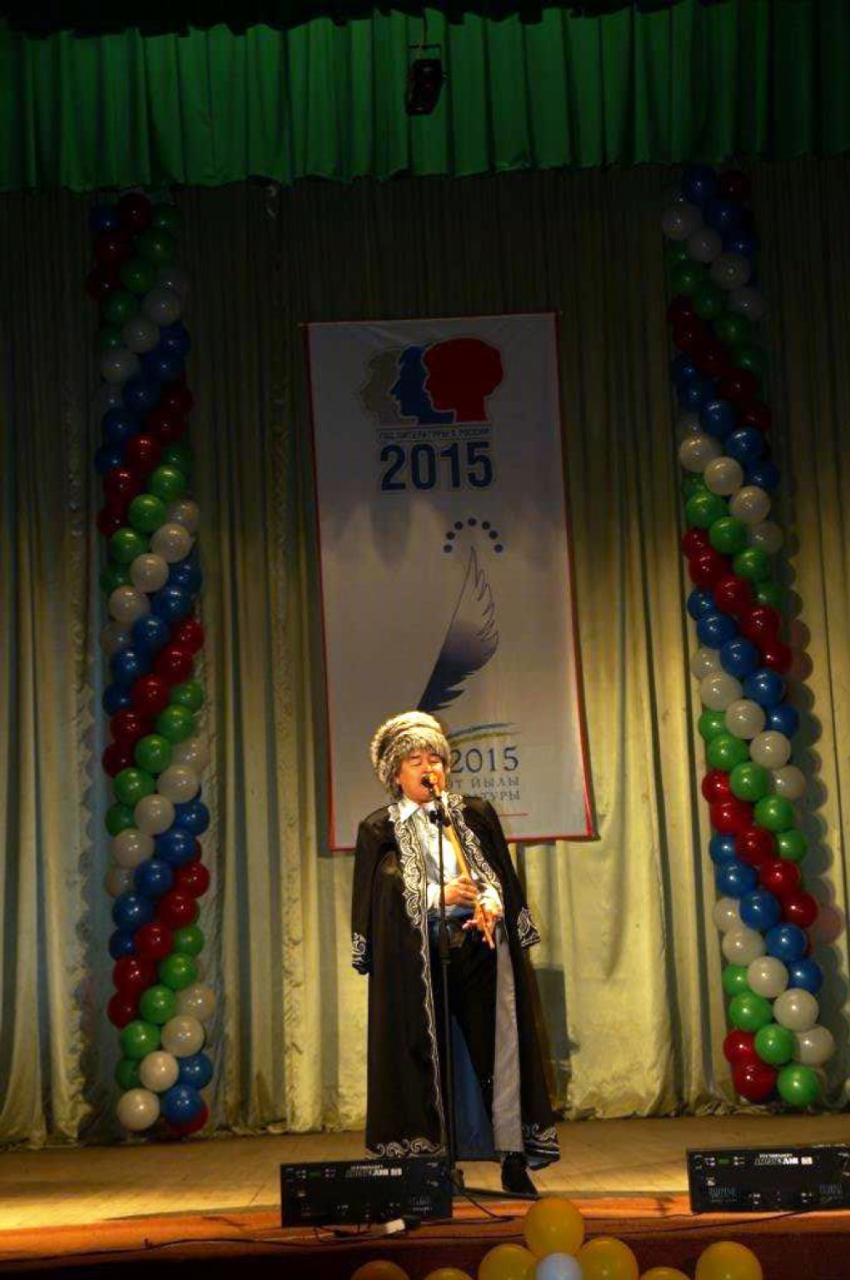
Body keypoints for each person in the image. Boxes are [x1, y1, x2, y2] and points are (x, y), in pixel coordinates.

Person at [351, 710, 559, 1196]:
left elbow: (499, 877)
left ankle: (512, 1158)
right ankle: (432, 1161)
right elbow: (377, 900)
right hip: (419, 962)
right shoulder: (379, 829)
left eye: (436, 759)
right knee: (427, 1059)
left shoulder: (475, 814)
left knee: (496, 1053)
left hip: (478, 952)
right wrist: (437, 896)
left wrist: (489, 902)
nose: (430, 769)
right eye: (416, 762)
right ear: (395, 775)